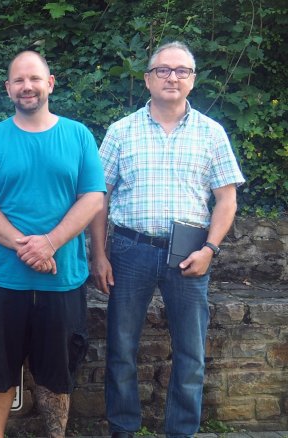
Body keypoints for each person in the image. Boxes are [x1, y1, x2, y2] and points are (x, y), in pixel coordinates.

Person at [89, 41, 244, 438]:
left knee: (191, 354)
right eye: (163, 70)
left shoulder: (212, 134)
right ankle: (123, 430)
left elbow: (226, 198)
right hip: (128, 251)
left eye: (181, 71)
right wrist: (99, 256)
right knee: (121, 349)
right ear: (147, 79)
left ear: (193, 80)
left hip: (191, 252)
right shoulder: (121, 131)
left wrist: (211, 249)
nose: (172, 77)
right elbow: (98, 197)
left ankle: (181, 433)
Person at [0, 51, 106, 438]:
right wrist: (26, 247)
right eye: (18, 80)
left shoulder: (78, 136)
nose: (27, 86)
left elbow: (93, 197)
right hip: (1, 278)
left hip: (62, 280)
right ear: (8, 88)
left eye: (34, 79)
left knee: (58, 372)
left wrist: (51, 243)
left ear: (50, 83)